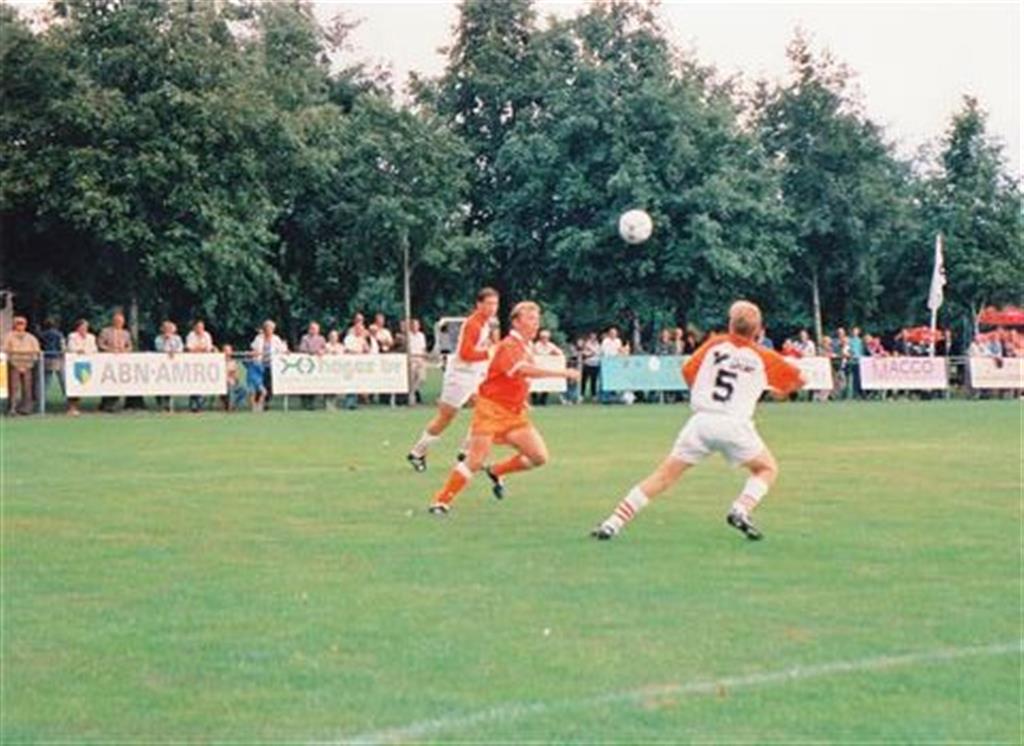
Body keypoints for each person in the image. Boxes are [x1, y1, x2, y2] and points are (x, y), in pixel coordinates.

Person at [591, 300, 804, 542]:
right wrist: (780, 392)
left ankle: (613, 522)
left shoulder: (716, 344)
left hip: (702, 421)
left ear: (730, 324)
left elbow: (688, 371)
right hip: (735, 424)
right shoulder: (763, 356)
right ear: (758, 330)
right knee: (766, 468)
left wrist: (703, 390)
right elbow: (799, 379)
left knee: (663, 476)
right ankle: (741, 508)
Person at [427, 301, 580, 516]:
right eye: (530, 319)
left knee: (539, 457)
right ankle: (441, 501)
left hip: (513, 413)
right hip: (491, 410)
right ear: (516, 322)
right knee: (475, 459)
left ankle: (497, 471)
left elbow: (514, 379)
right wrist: (561, 373)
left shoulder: (525, 346)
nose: (535, 324)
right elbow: (522, 370)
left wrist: (522, 400)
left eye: (537, 319)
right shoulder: (509, 345)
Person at [407, 288, 500, 471]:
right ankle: (417, 452)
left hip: (473, 374)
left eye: (495, 304)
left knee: (487, 411)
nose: (492, 308)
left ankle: (467, 453)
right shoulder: (473, 324)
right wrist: (489, 352)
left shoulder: (485, 324)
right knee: (445, 417)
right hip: (460, 375)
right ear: (479, 304)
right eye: (489, 303)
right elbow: (466, 354)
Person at [3, 315, 41, 415]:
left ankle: (26, 409)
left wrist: (29, 364)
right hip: (14, 365)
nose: (20, 325)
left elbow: (36, 351)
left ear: (26, 325)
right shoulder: (8, 337)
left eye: (22, 323)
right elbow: (5, 350)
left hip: (28, 366)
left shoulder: (31, 338)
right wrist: (15, 364)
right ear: (14, 325)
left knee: (27, 388)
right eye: (18, 323)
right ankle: (12, 408)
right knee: (13, 387)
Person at [97, 311, 133, 412]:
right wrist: (110, 350)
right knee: (107, 382)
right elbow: (100, 344)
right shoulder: (105, 331)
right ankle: (105, 404)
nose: (119, 323)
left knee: (118, 383)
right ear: (113, 321)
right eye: (117, 321)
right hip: (108, 361)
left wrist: (125, 350)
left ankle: (115, 404)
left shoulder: (126, 333)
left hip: (121, 362)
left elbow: (130, 346)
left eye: (121, 322)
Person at [250, 320, 287, 409]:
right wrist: (254, 353)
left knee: (269, 385)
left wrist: (286, 351)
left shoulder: (276, 339)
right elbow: (253, 349)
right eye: (267, 328)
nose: (268, 330)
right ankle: (257, 403)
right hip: (260, 364)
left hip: (271, 365)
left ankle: (266, 403)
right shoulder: (259, 338)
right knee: (259, 385)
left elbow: (282, 349)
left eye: (271, 329)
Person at [65, 319, 97, 415]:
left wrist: (86, 351)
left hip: (88, 362)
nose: (84, 329)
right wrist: (79, 350)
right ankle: (72, 408)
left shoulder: (91, 337)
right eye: (82, 327)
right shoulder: (72, 336)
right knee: (75, 385)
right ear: (78, 328)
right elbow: (71, 348)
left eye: (86, 327)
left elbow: (94, 349)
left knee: (85, 385)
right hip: (75, 364)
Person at [185, 319, 215, 412]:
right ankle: (193, 403)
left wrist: (198, 349)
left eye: (202, 327)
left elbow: (209, 349)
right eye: (198, 327)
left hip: (205, 364)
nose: (200, 329)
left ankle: (199, 404)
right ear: (194, 327)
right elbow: (190, 349)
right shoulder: (191, 335)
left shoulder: (207, 335)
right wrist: (201, 349)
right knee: (193, 384)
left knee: (203, 384)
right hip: (192, 364)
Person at [154, 320, 183, 412]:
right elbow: (159, 348)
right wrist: (166, 342)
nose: (167, 330)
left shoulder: (177, 338)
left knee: (171, 386)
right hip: (161, 366)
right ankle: (160, 404)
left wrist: (174, 351)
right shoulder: (158, 338)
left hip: (174, 366)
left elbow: (180, 348)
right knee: (159, 385)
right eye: (166, 328)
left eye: (169, 328)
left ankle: (169, 405)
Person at [530, 329, 565, 406]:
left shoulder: (551, 345)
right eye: (543, 337)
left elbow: (560, 353)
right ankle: (535, 400)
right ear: (540, 338)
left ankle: (543, 400)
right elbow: (532, 354)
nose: (544, 339)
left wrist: (553, 353)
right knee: (534, 383)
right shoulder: (536, 345)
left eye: (546, 337)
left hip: (546, 368)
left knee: (547, 383)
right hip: (537, 368)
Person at [298, 321, 326, 410]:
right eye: (312, 328)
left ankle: (312, 403)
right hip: (306, 365)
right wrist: (313, 352)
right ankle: (304, 402)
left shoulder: (321, 339)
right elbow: (302, 349)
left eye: (316, 329)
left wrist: (322, 352)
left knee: (314, 384)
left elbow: (325, 349)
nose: (314, 330)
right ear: (309, 329)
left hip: (317, 366)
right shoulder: (305, 338)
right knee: (305, 384)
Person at [40, 318, 65, 402]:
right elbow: (62, 346)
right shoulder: (59, 334)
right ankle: (67, 396)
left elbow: (41, 346)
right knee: (62, 378)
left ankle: (42, 398)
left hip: (46, 357)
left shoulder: (42, 335)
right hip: (57, 357)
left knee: (46, 379)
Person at [407, 319, 428, 405]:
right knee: (411, 379)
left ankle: (413, 392)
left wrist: (424, 357)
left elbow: (423, 348)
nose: (415, 327)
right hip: (412, 359)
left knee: (422, 378)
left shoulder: (421, 336)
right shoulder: (408, 335)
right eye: (414, 325)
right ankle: (412, 397)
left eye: (417, 325)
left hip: (420, 359)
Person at [581, 332, 601, 401]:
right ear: (590, 337)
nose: (593, 338)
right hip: (587, 364)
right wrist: (591, 353)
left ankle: (594, 395)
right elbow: (584, 354)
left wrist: (592, 351)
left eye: (594, 337)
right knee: (584, 380)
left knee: (594, 381)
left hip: (595, 364)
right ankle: (581, 395)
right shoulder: (586, 344)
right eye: (592, 337)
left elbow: (599, 353)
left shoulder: (598, 344)